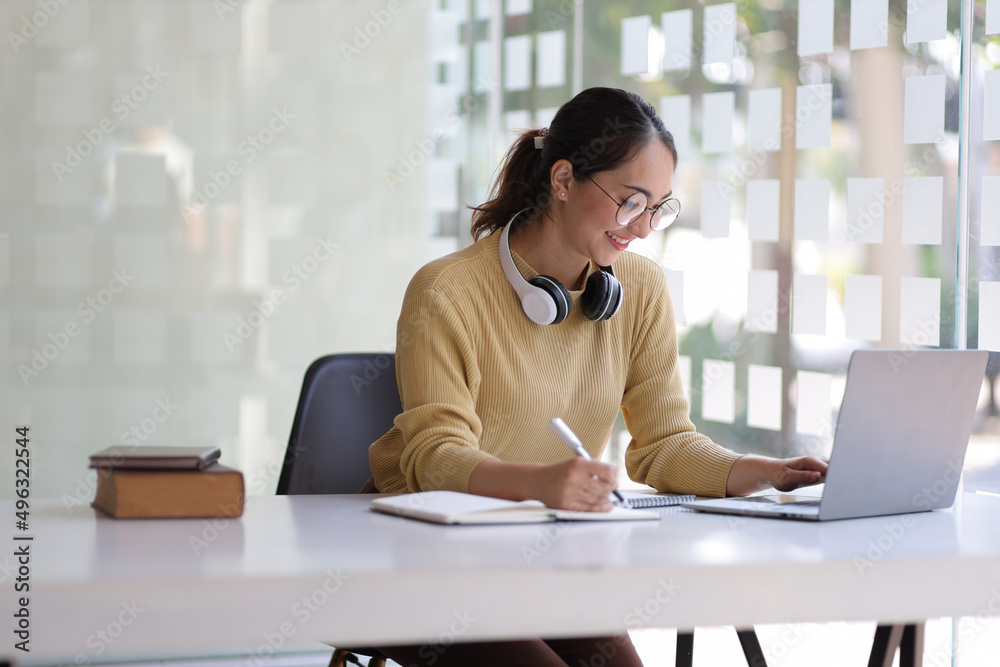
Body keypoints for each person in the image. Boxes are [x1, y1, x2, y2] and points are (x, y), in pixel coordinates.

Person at [368, 87, 828, 666]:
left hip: (544, 552)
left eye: (657, 208)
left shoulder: (640, 290)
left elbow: (663, 446)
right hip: (425, 557)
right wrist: (538, 485)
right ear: (563, 180)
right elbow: (433, 457)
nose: (641, 230)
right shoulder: (446, 291)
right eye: (630, 202)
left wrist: (762, 472)